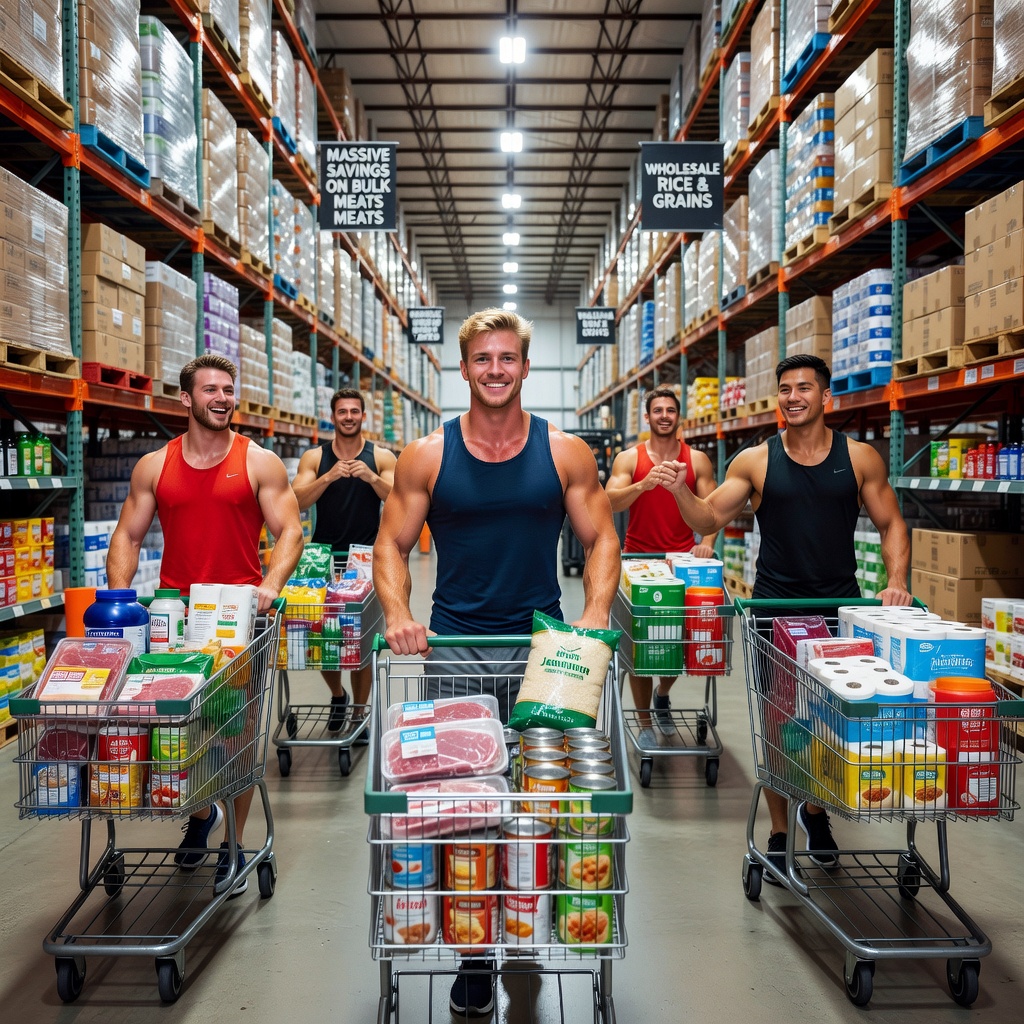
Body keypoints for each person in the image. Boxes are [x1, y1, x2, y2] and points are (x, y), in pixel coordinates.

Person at [373, 308, 620, 1017]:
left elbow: (602, 537)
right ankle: (477, 951)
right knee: (462, 807)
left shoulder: (565, 452)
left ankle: (527, 922)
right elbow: (390, 544)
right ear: (465, 367)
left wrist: (597, 610)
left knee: (543, 801)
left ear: (524, 366)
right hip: (453, 649)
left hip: (545, 653)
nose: (495, 370)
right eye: (482, 359)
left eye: (507, 358)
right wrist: (397, 613)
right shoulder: (429, 455)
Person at [664, 354, 912, 882]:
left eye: (803, 388)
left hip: (837, 609)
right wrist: (681, 491)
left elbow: (892, 524)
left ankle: (815, 814)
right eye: (784, 389)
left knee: (827, 723)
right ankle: (779, 831)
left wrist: (896, 581)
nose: (792, 396)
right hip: (772, 610)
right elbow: (709, 517)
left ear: (827, 398)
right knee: (777, 725)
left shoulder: (860, 457)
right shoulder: (756, 461)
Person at [107, 353, 304, 898]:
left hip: (240, 622)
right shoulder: (155, 466)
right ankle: (200, 814)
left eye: (228, 389)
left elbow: (289, 531)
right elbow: (126, 536)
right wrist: (121, 596)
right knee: (177, 730)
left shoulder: (258, 461)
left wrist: (271, 585)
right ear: (186, 399)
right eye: (211, 390)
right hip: (175, 621)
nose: (223, 398)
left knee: (236, 738)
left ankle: (232, 845)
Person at [605, 383, 719, 743]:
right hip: (638, 562)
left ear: (678, 416)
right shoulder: (629, 458)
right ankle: (644, 724)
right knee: (639, 647)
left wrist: (708, 543)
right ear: (648, 416)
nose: (664, 416)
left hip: (682, 562)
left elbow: (713, 507)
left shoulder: (696, 460)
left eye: (670, 410)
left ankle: (663, 695)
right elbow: (609, 501)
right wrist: (643, 485)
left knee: (677, 641)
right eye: (658, 410)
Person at [291, 388, 396, 735]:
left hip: (367, 561)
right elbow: (296, 500)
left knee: (361, 643)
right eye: (342, 412)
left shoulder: (381, 456)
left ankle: (359, 713)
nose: (348, 417)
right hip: (323, 561)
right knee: (326, 642)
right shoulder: (314, 458)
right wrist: (329, 476)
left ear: (363, 416)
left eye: (354, 411)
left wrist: (371, 477)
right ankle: (338, 696)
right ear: (333, 416)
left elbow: (399, 499)